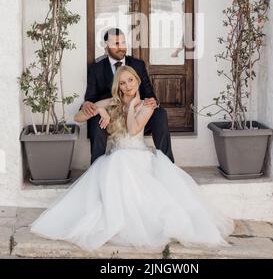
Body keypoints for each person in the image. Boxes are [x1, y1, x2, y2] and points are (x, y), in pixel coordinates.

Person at [30, 66, 234, 251]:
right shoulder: (112, 102)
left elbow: (134, 128)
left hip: (138, 156)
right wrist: (101, 110)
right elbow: (78, 117)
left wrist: (131, 107)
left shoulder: (147, 105)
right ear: (117, 86)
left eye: (130, 80)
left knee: (124, 170)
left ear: (137, 81)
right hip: (116, 155)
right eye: (122, 82)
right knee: (114, 167)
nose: (127, 86)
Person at [83, 28, 174, 164]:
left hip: (137, 115)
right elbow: (90, 98)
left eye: (124, 42)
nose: (121, 47)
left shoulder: (138, 64)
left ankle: (168, 164)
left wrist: (152, 102)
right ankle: (96, 167)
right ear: (106, 45)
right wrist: (88, 105)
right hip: (111, 119)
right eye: (116, 44)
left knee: (160, 114)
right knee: (96, 120)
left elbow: (149, 94)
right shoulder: (96, 68)